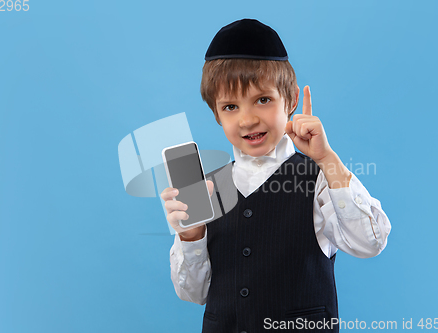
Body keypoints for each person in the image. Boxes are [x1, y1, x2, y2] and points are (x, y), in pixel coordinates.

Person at [161, 18, 391, 333]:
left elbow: (370, 242)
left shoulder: (320, 176)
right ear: (216, 114)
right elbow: (193, 293)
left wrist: (327, 159)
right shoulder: (207, 188)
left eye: (263, 100)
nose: (247, 119)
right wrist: (191, 234)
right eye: (230, 106)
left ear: (291, 101)